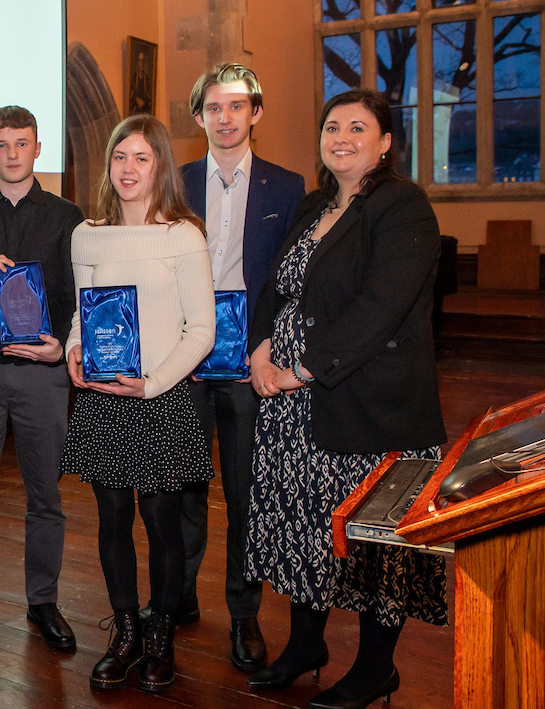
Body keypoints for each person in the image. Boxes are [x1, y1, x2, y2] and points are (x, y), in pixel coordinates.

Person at [244, 89, 447, 709]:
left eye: (358, 128)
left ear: (386, 143)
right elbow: (278, 288)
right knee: (306, 530)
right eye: (332, 126)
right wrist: (259, 347)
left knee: (371, 544)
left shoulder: (402, 207)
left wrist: (301, 367)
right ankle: (307, 646)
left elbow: (381, 308)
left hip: (367, 406)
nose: (341, 137)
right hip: (292, 407)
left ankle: (376, 668)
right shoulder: (312, 206)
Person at [155, 63, 304, 671]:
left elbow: (292, 280)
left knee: (244, 492)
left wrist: (269, 345)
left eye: (237, 106)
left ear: (256, 114)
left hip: (248, 362)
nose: (225, 117)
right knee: (185, 485)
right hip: (186, 360)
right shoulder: (177, 182)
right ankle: (181, 595)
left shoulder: (288, 187)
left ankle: (243, 615)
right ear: (199, 118)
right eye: (214, 108)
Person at [62, 114, 215, 693]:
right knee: (112, 520)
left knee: (161, 524)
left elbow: (200, 330)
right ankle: (124, 630)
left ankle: (160, 636)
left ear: (160, 167)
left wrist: (151, 383)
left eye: (141, 158)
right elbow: (84, 311)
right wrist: (76, 350)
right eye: (119, 157)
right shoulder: (87, 234)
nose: (128, 168)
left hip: (160, 396)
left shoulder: (183, 235)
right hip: (103, 398)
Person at [0, 106, 84, 651]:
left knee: (45, 495)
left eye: (21, 143)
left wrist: (61, 347)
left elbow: (78, 299)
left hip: (44, 377)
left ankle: (43, 601)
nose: (11, 154)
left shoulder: (68, 217)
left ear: (37, 148)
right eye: (0, 144)